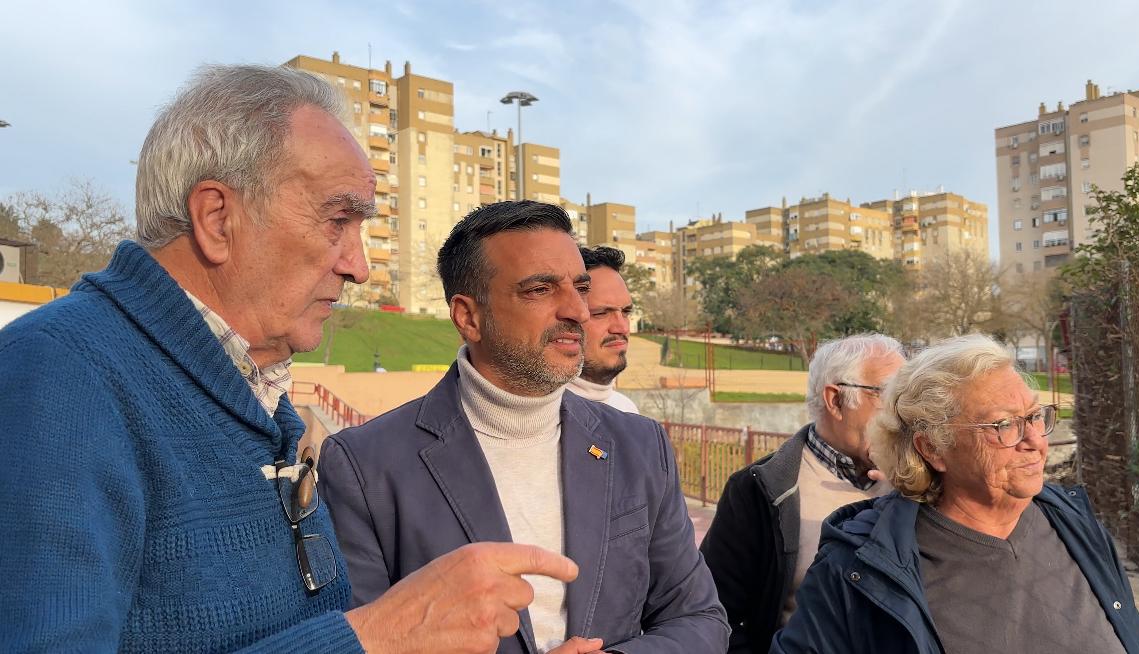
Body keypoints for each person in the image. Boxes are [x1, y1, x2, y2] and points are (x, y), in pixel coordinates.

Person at [0, 64, 579, 654]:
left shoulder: (248, 392)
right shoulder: (57, 376)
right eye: (338, 220)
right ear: (218, 219)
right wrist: (380, 635)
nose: (359, 267)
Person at [318, 200, 729, 654]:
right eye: (540, 289)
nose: (577, 310)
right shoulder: (363, 467)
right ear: (468, 317)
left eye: (580, 288)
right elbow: (357, 640)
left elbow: (699, 619)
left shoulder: (640, 445)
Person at [771, 334, 1139, 654]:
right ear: (933, 448)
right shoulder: (859, 570)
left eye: (1034, 416)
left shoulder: (1073, 522)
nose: (1034, 441)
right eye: (1003, 425)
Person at [700, 334, 905, 654]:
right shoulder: (760, 489)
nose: (903, 415)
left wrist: (915, 496)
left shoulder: (924, 486)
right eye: (889, 395)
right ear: (835, 400)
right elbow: (716, 612)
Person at [565, 245, 639, 413]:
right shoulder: (540, 418)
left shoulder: (627, 410)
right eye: (601, 313)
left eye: (625, 312)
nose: (621, 328)